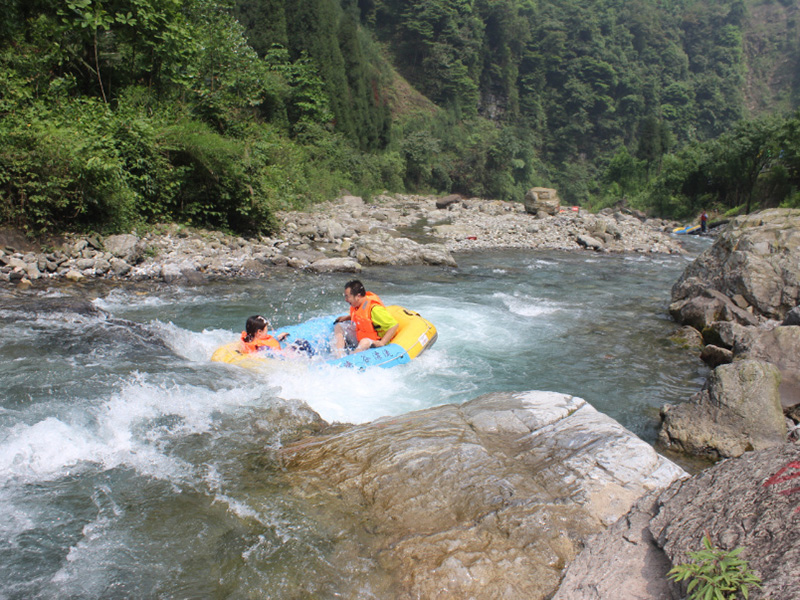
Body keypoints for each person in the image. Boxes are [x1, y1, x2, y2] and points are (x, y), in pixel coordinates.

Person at [332, 280, 399, 356]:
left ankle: (351, 359)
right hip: (361, 336)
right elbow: (361, 317)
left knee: (364, 342)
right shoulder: (358, 305)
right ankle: (339, 355)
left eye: (348, 296)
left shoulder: (375, 309)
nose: (346, 300)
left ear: (358, 296)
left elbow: (394, 325)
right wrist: (346, 318)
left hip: (375, 340)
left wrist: (382, 342)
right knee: (339, 327)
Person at [240, 315, 314, 357]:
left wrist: (277, 339)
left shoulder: (248, 339)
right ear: (259, 332)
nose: (267, 331)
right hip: (284, 358)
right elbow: (274, 355)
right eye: (266, 329)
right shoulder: (262, 347)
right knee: (302, 343)